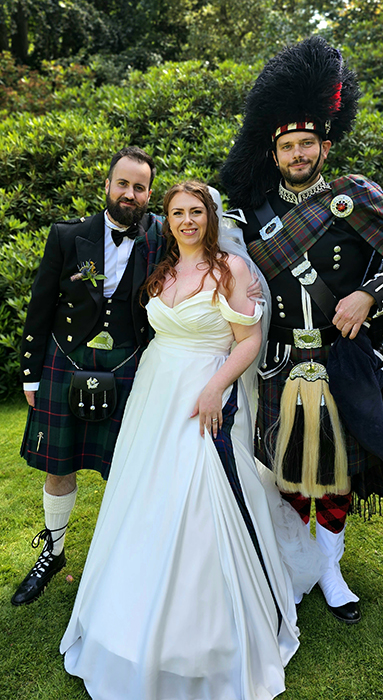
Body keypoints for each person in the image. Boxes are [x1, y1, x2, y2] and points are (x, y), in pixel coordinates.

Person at [220, 36, 383, 624]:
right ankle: (292, 559)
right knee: (281, 464)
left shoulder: (357, 195)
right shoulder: (250, 210)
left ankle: (330, 567)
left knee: (338, 468)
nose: (298, 153)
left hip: (339, 357)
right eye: (288, 146)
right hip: (276, 359)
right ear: (274, 152)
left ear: (324, 145)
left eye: (307, 144)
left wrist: (367, 293)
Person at [60, 181, 316, 700]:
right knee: (145, 497)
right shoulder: (164, 270)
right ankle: (127, 614)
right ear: (167, 219)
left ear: (211, 217)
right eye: (177, 212)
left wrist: (215, 388)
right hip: (155, 395)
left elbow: (248, 342)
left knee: (199, 495)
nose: (187, 221)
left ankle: (208, 633)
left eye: (196, 211)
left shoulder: (232, 270)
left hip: (206, 393)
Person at [12, 147, 164, 606]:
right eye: (123, 184)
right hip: (65, 360)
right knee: (59, 466)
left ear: (149, 193)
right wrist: (31, 375)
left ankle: (123, 561)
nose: (130, 194)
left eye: (140, 187)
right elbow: (39, 309)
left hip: (130, 365)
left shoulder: (163, 235)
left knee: (129, 470)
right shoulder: (68, 236)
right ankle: (53, 552)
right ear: (107, 185)